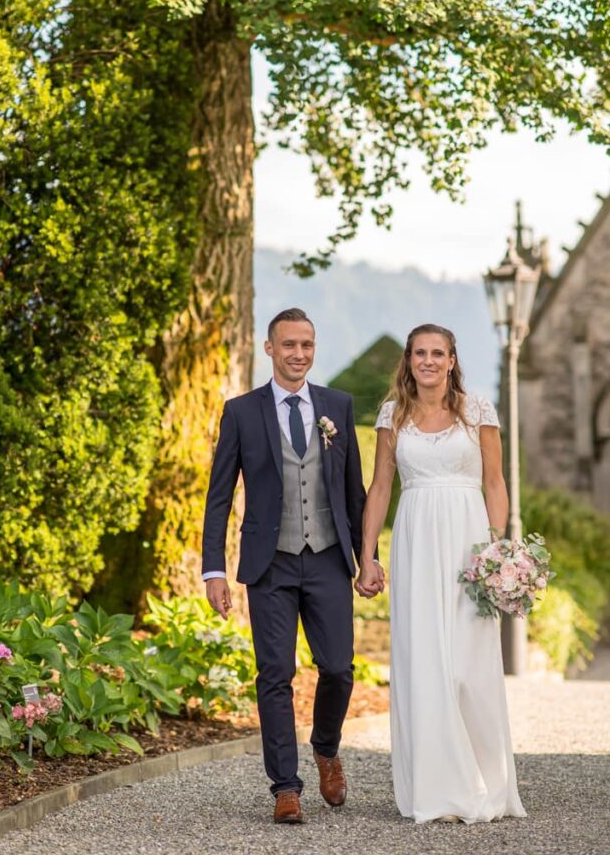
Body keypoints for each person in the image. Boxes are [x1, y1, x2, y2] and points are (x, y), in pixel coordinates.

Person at [202, 307, 383, 825]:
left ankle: (326, 747)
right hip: (269, 564)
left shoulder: (338, 406)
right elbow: (219, 498)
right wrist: (213, 569)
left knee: (340, 670)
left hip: (327, 558)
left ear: (314, 347)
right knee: (275, 674)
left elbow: (354, 491)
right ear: (270, 349)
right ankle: (286, 787)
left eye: (306, 344)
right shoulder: (241, 412)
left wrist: (367, 559)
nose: (298, 354)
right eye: (288, 345)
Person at [357, 323, 526, 825]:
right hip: (414, 540)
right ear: (408, 360)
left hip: (467, 542)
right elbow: (380, 487)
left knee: (468, 666)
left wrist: (501, 555)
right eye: (419, 353)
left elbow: (495, 483)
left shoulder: (477, 412)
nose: (428, 361)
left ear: (452, 360)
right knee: (424, 661)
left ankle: (485, 782)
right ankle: (434, 788)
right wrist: (367, 556)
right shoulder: (393, 414)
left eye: (438, 353)